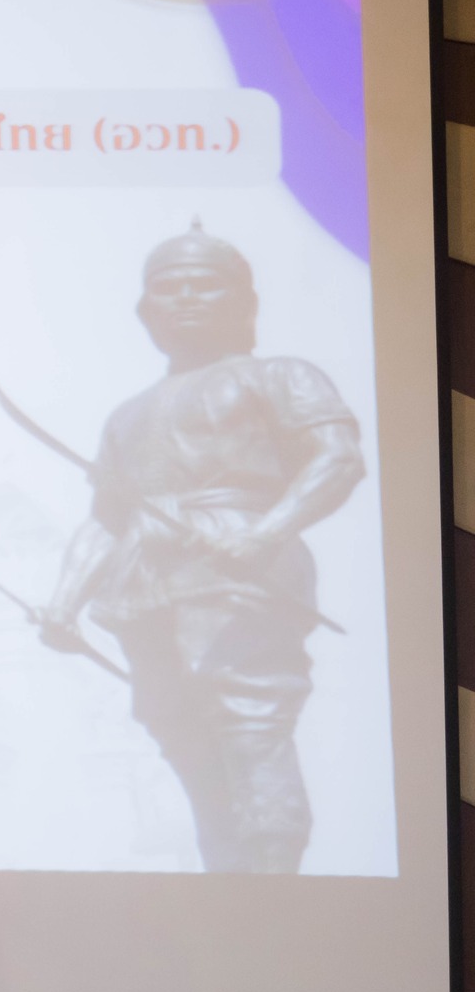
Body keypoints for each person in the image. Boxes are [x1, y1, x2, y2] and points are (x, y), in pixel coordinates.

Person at [38, 220, 365, 872]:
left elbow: (337, 459)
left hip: (236, 569)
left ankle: (274, 882)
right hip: (145, 584)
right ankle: (227, 877)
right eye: (169, 287)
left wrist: (264, 532)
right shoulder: (127, 415)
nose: (186, 297)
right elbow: (107, 517)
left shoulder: (280, 375)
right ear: (145, 309)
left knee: (249, 720)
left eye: (205, 285)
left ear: (243, 301)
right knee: (179, 731)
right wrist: (64, 602)